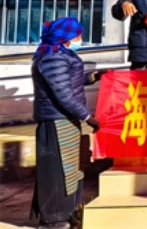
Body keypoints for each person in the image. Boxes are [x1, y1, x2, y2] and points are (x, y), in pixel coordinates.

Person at [31, 17, 102, 229]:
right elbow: (63, 94)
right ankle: (55, 219)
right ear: (66, 38)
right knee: (59, 171)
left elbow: (70, 79)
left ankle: (68, 214)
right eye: (78, 36)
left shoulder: (61, 54)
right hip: (56, 120)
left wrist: (95, 76)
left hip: (66, 119)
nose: (81, 39)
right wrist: (88, 117)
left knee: (70, 168)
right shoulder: (51, 58)